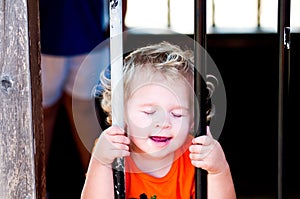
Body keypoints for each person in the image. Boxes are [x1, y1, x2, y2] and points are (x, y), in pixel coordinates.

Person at [81, 41, 236, 199]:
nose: (163, 124)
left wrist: (218, 171)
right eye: (149, 112)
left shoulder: (196, 155)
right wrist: (101, 162)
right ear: (122, 114)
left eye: (177, 114)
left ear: (193, 120)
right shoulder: (113, 151)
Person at [39, 0, 111, 177]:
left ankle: (98, 184)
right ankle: (38, 184)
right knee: (42, 113)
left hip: (90, 28)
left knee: (85, 111)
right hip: (43, 31)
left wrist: (118, 21)